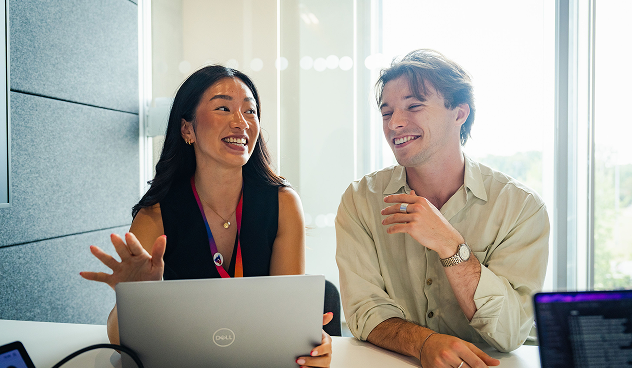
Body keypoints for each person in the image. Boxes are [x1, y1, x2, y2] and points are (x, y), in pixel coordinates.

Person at [80, 65, 332, 368]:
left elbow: (287, 322)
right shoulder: (155, 215)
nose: (241, 122)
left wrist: (309, 343)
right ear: (187, 129)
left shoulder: (283, 203)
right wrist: (134, 297)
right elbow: (123, 345)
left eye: (250, 112)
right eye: (223, 108)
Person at [335, 49, 549, 368]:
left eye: (414, 106)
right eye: (386, 112)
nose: (395, 123)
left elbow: (509, 332)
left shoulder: (521, 207)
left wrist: (450, 246)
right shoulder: (360, 199)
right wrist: (424, 343)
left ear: (459, 113)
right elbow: (364, 313)